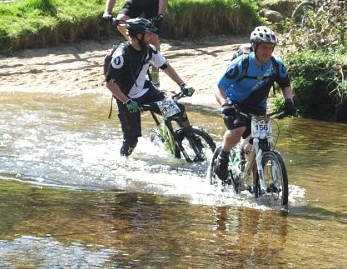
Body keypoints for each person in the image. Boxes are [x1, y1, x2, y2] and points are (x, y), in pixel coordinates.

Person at [211, 26, 296, 181]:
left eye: (270, 48)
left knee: (261, 147)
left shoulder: (276, 65)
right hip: (235, 104)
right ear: (254, 46)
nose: (267, 52)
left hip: (258, 108)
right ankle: (223, 156)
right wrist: (224, 104)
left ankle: (258, 186)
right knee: (239, 129)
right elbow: (219, 87)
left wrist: (289, 101)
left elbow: (285, 85)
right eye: (264, 47)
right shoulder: (242, 63)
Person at [104, 17, 194, 157]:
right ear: (138, 36)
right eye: (148, 34)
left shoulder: (150, 50)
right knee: (131, 141)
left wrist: (182, 84)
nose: (152, 36)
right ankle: (122, 161)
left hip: (146, 90)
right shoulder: (121, 55)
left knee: (178, 111)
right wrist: (127, 101)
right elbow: (109, 83)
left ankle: (193, 139)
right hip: (126, 98)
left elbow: (166, 67)